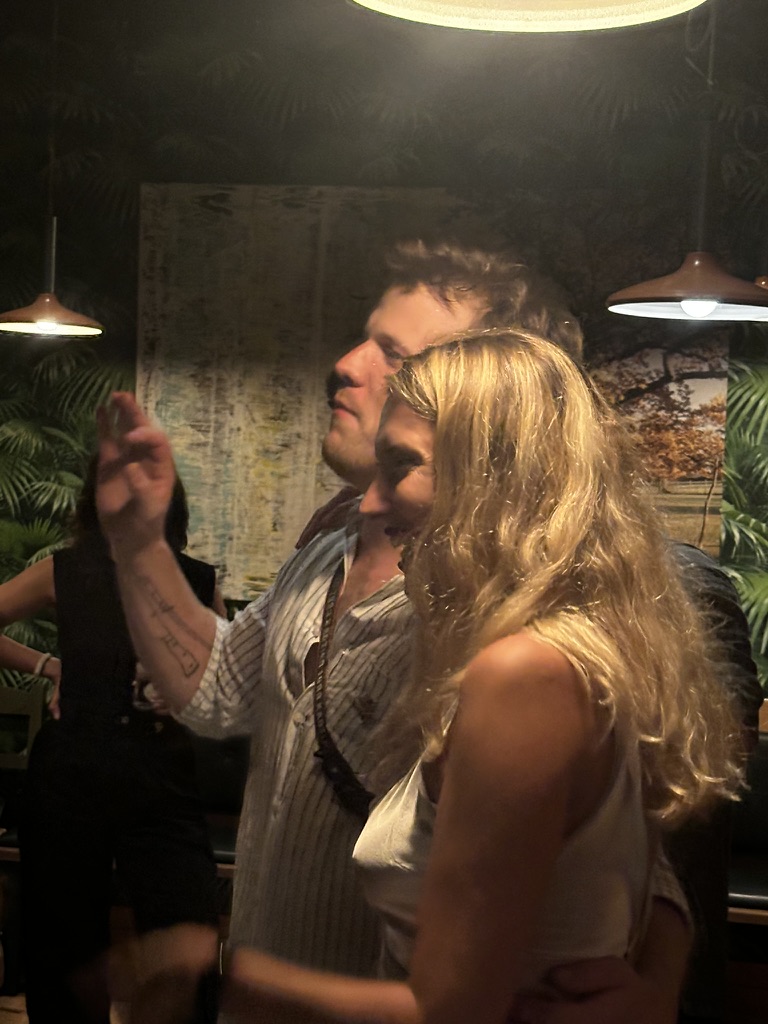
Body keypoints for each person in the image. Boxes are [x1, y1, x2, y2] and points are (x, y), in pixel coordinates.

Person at [95, 241, 759, 1022]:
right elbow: (216, 694)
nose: (345, 365)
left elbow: (647, 835)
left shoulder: (548, 608)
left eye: (394, 353)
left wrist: (660, 990)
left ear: (494, 395)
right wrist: (138, 543)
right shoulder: (330, 546)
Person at [0, 458, 225, 1023]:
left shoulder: (198, 581)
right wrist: (49, 665)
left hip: (162, 772)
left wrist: (185, 689)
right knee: (63, 942)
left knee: (185, 925)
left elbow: (225, 676)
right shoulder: (65, 570)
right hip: (70, 770)